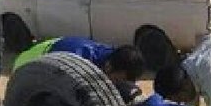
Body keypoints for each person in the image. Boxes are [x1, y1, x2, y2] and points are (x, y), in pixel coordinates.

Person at [14, 36, 147, 83]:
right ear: (108, 67)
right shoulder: (77, 64)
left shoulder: (115, 57)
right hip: (27, 65)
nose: (119, 84)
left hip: (56, 48)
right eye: (118, 80)